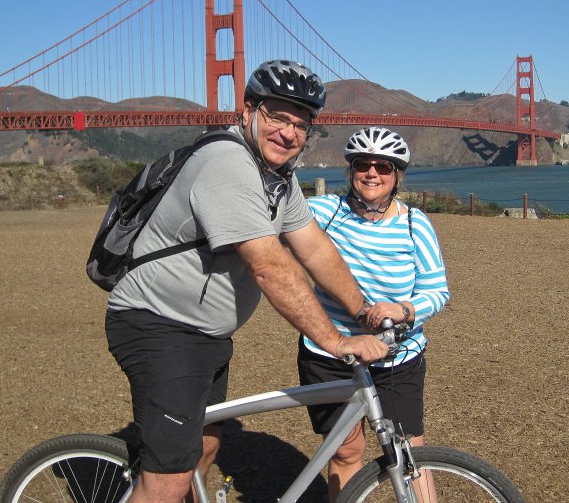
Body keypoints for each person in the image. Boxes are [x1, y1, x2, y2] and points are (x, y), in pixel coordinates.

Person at [104, 60, 389, 503]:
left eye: (301, 124)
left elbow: (314, 248)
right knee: (170, 474)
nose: (290, 133)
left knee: (206, 445)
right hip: (158, 324)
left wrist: (362, 310)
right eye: (277, 116)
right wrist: (336, 342)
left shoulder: (277, 177)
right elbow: (269, 266)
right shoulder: (227, 164)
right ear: (248, 111)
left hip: (205, 334)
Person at [298, 126, 450, 502]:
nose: (372, 173)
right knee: (346, 451)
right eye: (363, 164)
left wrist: (404, 309)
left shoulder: (415, 224)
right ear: (351, 171)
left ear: (396, 175)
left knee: (409, 450)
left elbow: (438, 291)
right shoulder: (324, 213)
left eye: (383, 166)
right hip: (332, 354)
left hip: (397, 357)